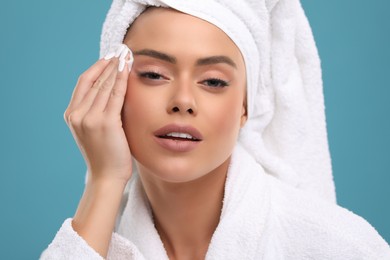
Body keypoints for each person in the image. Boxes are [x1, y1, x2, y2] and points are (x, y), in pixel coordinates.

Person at [41, 0, 390, 259]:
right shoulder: (94, 237)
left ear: (246, 107)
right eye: (152, 74)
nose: (183, 100)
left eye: (213, 81)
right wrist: (105, 181)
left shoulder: (340, 246)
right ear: (110, 89)